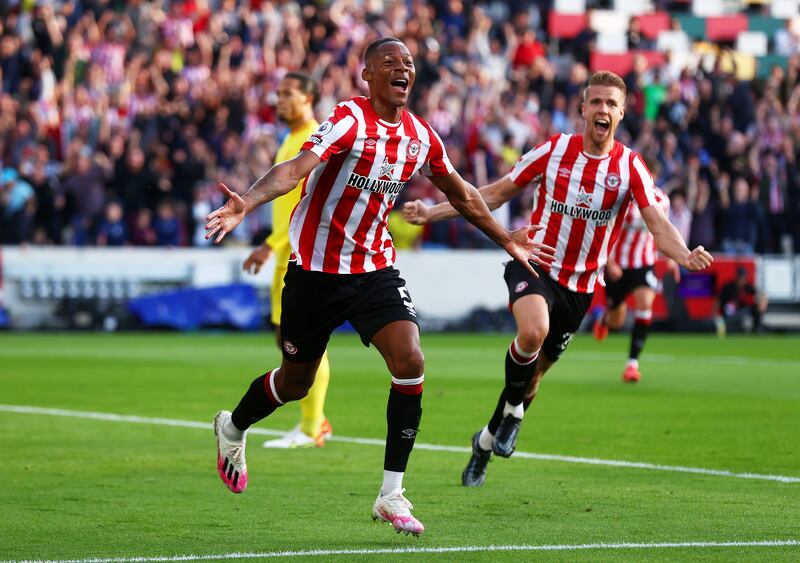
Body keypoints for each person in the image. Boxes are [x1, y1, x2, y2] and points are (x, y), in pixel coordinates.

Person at [205, 37, 554, 536]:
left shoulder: (420, 137)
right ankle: (232, 426)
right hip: (315, 272)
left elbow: (463, 194)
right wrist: (248, 202)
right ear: (367, 74)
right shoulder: (349, 119)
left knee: (410, 360)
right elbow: (294, 171)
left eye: (408, 63)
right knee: (294, 382)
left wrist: (506, 239)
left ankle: (392, 494)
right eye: (390, 62)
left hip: (373, 270)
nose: (402, 69)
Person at [403, 71, 713, 488]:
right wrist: (431, 212)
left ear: (621, 114)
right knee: (533, 331)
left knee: (531, 380)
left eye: (611, 104)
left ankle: (484, 441)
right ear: (583, 108)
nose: (602, 109)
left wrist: (684, 253)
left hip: (581, 288)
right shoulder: (553, 151)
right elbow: (492, 195)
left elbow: (658, 225)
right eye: (596, 101)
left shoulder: (630, 167)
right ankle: (512, 417)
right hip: (535, 262)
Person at [242, 73, 333, 449]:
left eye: (288, 94)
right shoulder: (291, 139)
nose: (279, 100)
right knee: (289, 342)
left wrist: (271, 244)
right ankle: (314, 423)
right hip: (286, 253)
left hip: (301, 255)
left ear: (308, 96)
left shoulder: (313, 139)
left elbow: (303, 204)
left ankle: (313, 427)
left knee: (305, 345)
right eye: (277, 94)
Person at [592, 186, 677, 383]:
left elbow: (663, 230)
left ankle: (632, 364)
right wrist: (609, 262)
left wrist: (672, 258)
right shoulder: (621, 199)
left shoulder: (662, 200)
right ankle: (605, 320)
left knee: (645, 304)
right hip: (618, 266)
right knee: (617, 321)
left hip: (644, 263)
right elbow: (603, 230)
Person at [716, 266, 768, 335]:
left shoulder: (748, 287)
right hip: (729, 313)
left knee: (756, 308)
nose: (741, 280)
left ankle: (756, 330)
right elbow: (719, 301)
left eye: (743, 278)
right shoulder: (728, 287)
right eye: (740, 278)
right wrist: (715, 314)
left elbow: (760, 296)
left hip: (743, 311)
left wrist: (763, 302)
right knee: (729, 317)